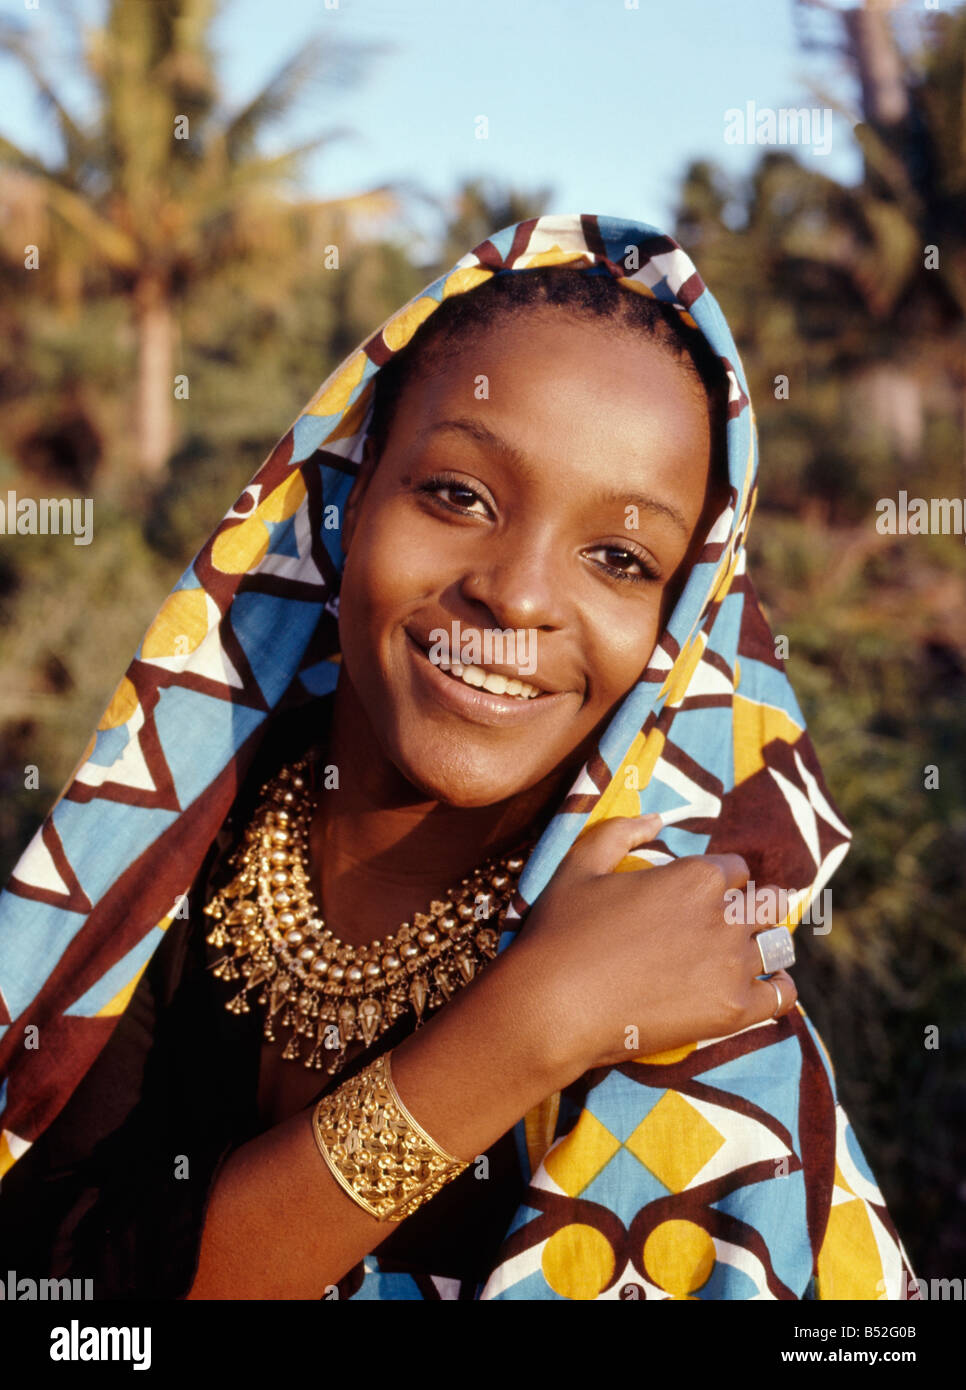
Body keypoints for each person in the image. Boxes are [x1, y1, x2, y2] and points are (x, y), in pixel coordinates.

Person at [0, 213, 917, 1301]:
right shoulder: (180, 838)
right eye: (459, 495)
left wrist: (571, 1017)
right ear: (342, 508)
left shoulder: (683, 1010)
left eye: (619, 557)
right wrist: (521, 1033)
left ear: (676, 632)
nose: (518, 592)